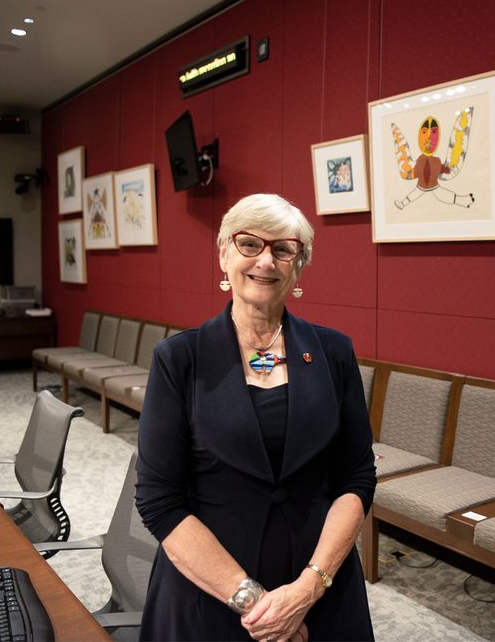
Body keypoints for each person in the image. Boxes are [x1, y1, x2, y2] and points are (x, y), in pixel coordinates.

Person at [135, 193, 377, 641]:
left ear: (298, 268)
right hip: (210, 596)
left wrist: (306, 591)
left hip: (320, 587)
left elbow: (357, 478)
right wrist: (260, 607)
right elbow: (159, 500)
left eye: (283, 249)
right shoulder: (179, 359)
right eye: (250, 244)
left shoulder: (334, 352)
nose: (266, 261)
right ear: (224, 254)